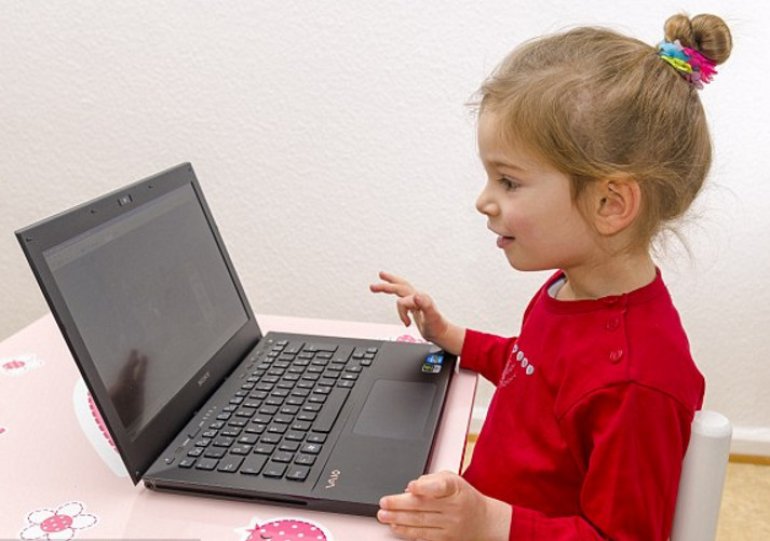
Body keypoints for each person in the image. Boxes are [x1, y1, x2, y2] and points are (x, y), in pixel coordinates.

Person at [370, 13, 732, 541]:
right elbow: (534, 372)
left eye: (509, 181)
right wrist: (451, 337)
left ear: (610, 202)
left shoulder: (638, 382)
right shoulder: (571, 287)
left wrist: (491, 522)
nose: (484, 200)